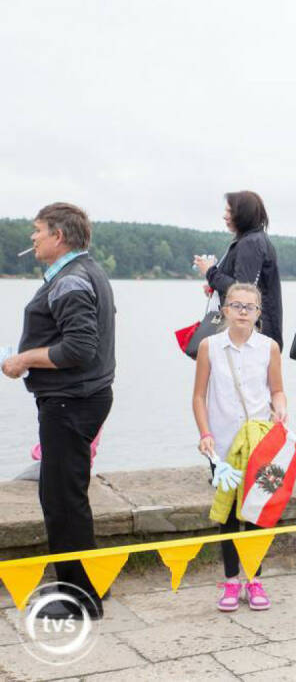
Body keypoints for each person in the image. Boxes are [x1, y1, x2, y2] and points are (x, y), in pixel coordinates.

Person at [3, 203, 115, 620]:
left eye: (37, 231)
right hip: (80, 398)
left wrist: (24, 359)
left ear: (59, 236)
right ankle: (83, 588)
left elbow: (79, 349)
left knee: (62, 501)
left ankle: (78, 599)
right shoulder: (86, 271)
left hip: (71, 401)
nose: (32, 238)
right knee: (65, 496)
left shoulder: (71, 281)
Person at [192, 283, 287, 612]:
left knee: (261, 514)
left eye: (250, 307)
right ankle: (232, 580)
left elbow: (277, 390)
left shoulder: (269, 347)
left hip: (263, 444)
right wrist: (205, 433)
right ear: (225, 310)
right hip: (223, 446)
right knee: (230, 515)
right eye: (237, 305)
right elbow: (198, 396)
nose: (244, 312)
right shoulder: (209, 346)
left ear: (259, 313)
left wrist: (281, 407)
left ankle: (255, 579)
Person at [194, 191, 284, 349]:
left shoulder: (251, 243)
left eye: (229, 211)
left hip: (253, 335)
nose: (225, 216)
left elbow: (243, 291)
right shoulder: (252, 240)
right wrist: (215, 288)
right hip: (252, 333)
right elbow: (245, 285)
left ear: (243, 214)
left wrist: (210, 272)